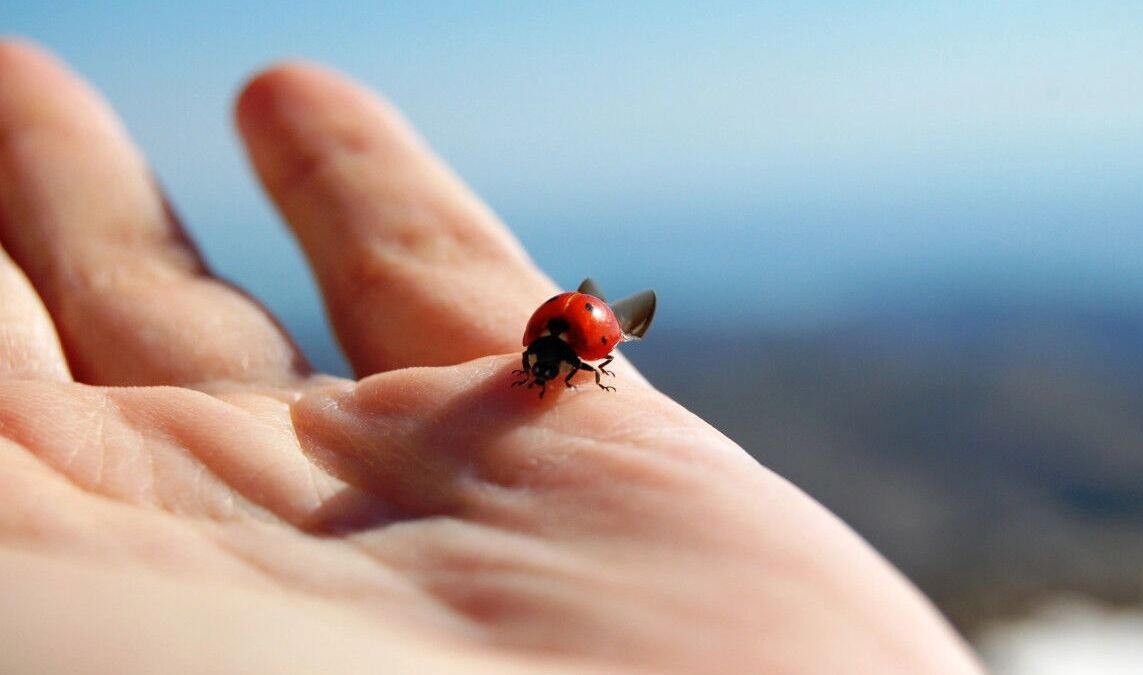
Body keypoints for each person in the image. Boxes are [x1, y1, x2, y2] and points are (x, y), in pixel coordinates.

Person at [0, 39, 983, 674]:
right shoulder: (562, 345)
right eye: (553, 367)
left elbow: (572, 341)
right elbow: (566, 344)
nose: (546, 377)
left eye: (554, 369)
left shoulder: (570, 342)